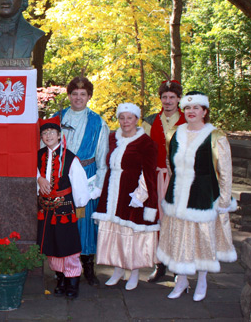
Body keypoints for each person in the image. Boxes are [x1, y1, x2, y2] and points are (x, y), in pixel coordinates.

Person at [157, 91, 237, 301]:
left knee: (202, 239)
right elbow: (169, 163)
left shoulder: (215, 136)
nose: (191, 112)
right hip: (178, 195)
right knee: (178, 238)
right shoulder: (175, 133)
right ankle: (181, 280)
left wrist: (224, 200)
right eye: (188, 108)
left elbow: (225, 171)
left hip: (203, 195)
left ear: (205, 111)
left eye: (196, 108)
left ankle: (202, 281)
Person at [92, 103, 159, 290]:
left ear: (137, 119)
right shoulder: (113, 138)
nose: (125, 121)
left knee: (131, 233)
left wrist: (141, 196)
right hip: (112, 191)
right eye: (122, 117)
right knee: (115, 231)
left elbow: (149, 173)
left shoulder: (146, 143)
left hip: (132, 194)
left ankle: (134, 272)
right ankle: (118, 269)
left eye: (130, 118)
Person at [54, 76, 109, 286]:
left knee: (83, 220)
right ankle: (61, 269)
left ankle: (87, 264)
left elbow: (102, 157)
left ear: (89, 96)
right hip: (61, 177)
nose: (78, 98)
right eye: (74, 94)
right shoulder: (56, 119)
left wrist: (98, 186)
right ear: (69, 95)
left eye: (83, 94)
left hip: (87, 177)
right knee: (61, 219)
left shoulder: (97, 122)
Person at [37, 116, 91, 299]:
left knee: (68, 246)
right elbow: (32, 174)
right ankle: (60, 278)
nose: (48, 135)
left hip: (65, 210)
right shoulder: (38, 156)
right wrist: (39, 178)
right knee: (52, 246)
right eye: (44, 133)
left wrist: (80, 210)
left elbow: (80, 186)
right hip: (46, 210)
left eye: (52, 132)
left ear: (59, 135)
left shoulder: (70, 158)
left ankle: (73, 282)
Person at [142, 80, 186, 282]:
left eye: (172, 97)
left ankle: (178, 267)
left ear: (178, 99)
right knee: (157, 221)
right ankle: (160, 265)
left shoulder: (188, 120)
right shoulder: (150, 121)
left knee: (177, 221)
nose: (168, 101)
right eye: (164, 97)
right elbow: (141, 150)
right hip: (157, 178)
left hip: (180, 180)